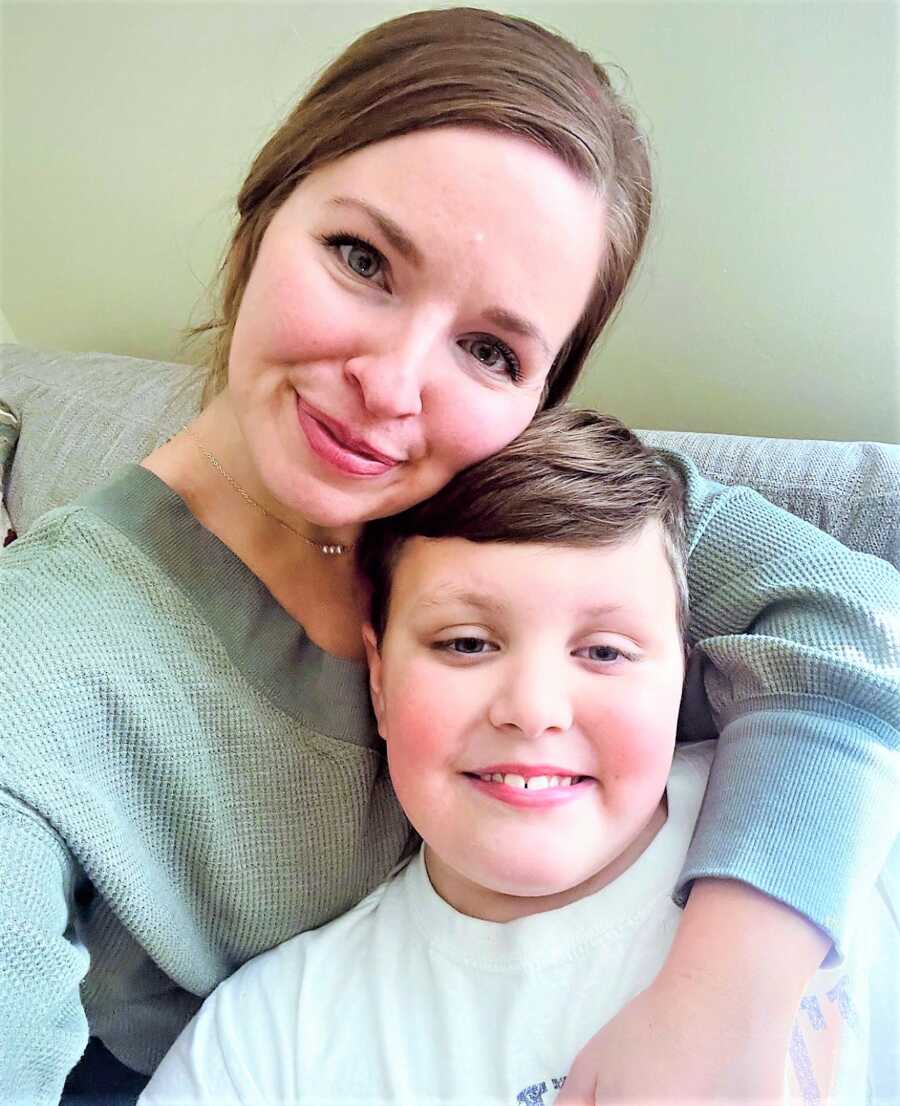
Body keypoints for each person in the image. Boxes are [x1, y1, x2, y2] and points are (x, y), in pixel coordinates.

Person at [0, 7, 897, 1105]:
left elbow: (847, 614)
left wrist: (725, 994)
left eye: (490, 349)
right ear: (257, 217)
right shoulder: (32, 673)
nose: (391, 384)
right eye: (362, 258)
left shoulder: (522, 497)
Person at [139, 408, 898, 1106]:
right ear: (378, 674)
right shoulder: (270, 1039)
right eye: (465, 643)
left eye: (604, 651)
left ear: (687, 672)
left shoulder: (851, 808)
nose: (533, 710)